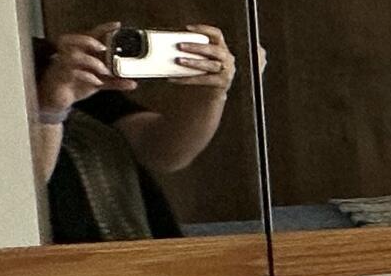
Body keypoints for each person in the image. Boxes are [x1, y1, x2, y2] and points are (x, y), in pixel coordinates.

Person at [31, 21, 238, 242]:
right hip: (56, 263)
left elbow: (162, 151)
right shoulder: (17, 70)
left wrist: (211, 95)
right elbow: (16, 196)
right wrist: (51, 112)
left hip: (141, 255)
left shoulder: (45, 60)